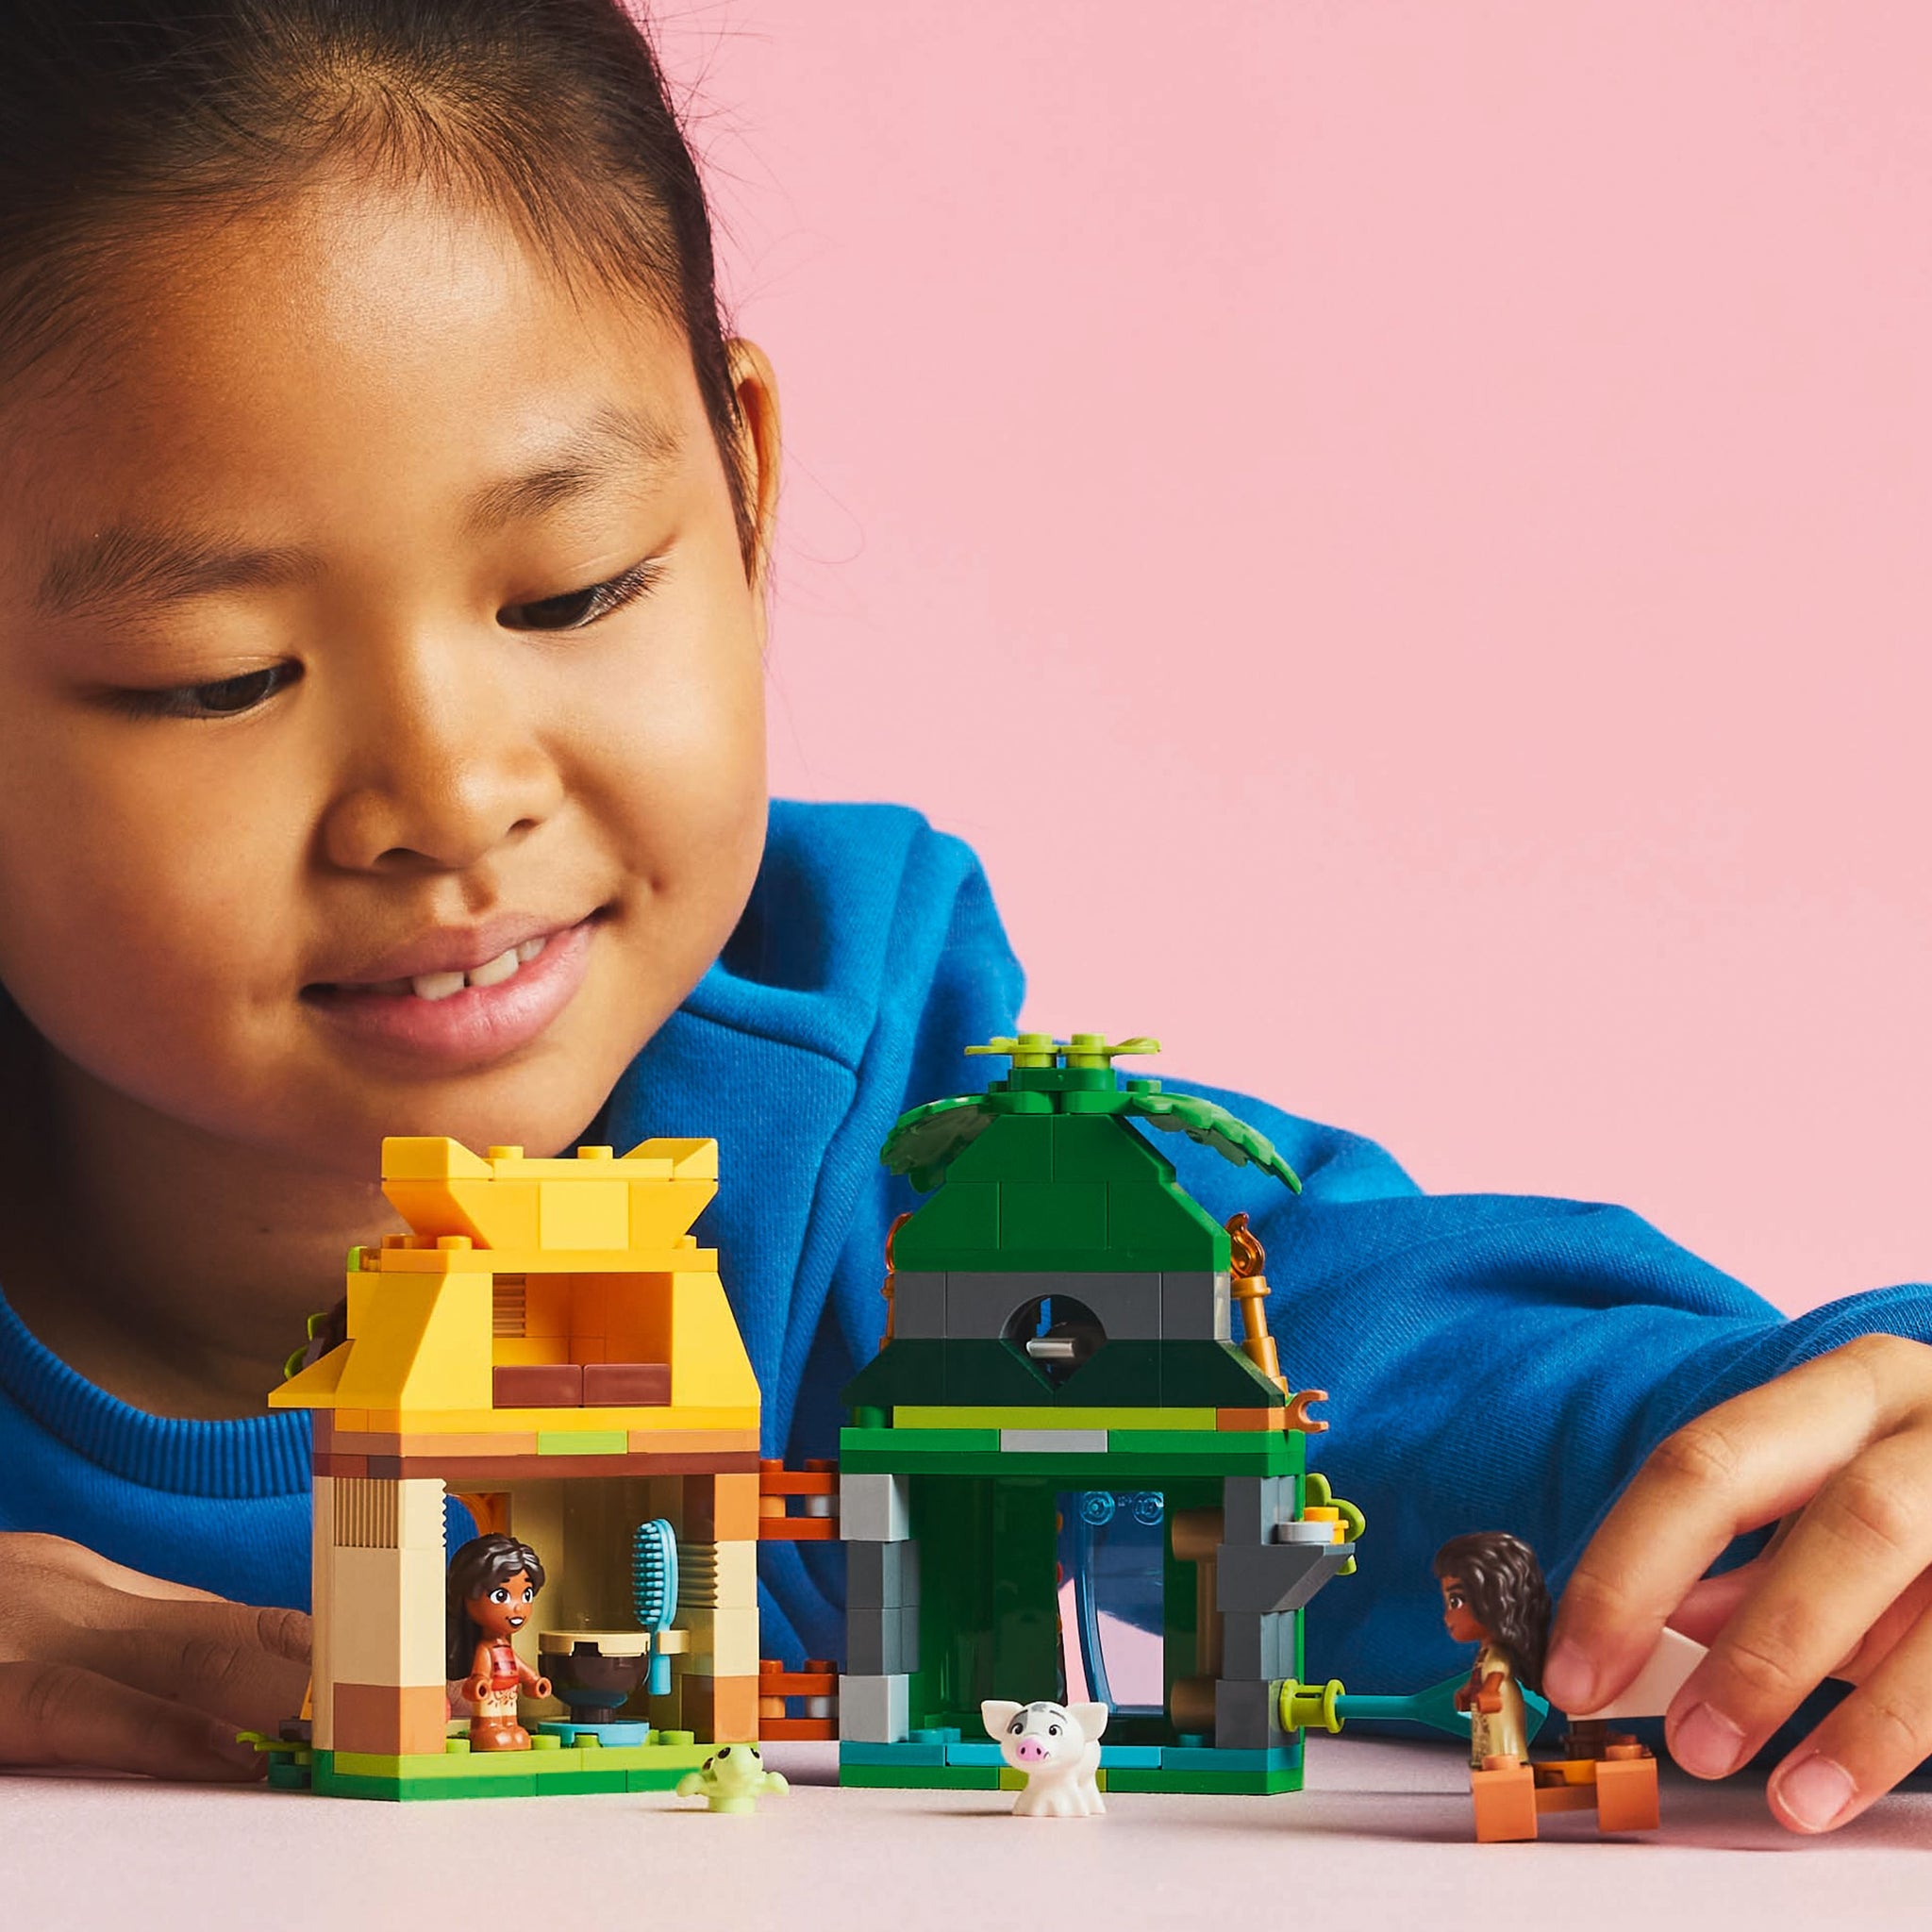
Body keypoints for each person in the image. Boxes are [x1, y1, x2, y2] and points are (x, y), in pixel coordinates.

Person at [0, 0, 1925, 1840]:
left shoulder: (958, 1225)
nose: (449, 795)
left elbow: (1571, 1419)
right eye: (213, 675)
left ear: (742, 487)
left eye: (572, 589)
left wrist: (1869, 1459)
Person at [1435, 1531, 1551, 1768]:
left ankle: (1507, 1763)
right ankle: (1490, 1762)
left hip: (1498, 1701)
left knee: (1501, 1737)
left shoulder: (1497, 1650)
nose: (1447, 1617)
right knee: (1486, 1737)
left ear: (1491, 1598)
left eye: (1455, 1602)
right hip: (1487, 1703)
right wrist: (1468, 1691)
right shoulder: (1485, 1650)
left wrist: (1489, 1691)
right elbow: (1482, 1673)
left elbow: (1498, 1671)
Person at [445, 1534, 551, 1752]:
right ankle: (487, 1728)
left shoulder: (502, 1646)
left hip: (508, 1693)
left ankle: (511, 1728)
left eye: (527, 1595)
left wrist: (533, 1681)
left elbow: (519, 1666)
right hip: (491, 1695)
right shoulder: (484, 1648)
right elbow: (481, 1672)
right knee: (491, 1716)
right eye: (501, 1596)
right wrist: (480, 1682)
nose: (519, 1607)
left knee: (510, 1719)